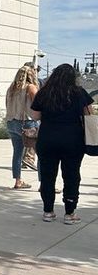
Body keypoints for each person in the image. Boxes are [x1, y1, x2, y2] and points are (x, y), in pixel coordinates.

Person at [30, 63, 93, 224]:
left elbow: (35, 116)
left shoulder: (44, 93)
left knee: (47, 176)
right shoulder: (79, 93)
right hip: (73, 140)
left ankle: (48, 211)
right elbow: (89, 114)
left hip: (47, 139)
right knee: (71, 176)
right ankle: (69, 213)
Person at [5, 65, 39, 189]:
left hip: (11, 123)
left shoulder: (11, 89)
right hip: (27, 123)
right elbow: (38, 103)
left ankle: (18, 181)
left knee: (17, 153)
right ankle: (44, 184)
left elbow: (7, 105)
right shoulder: (30, 87)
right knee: (41, 153)